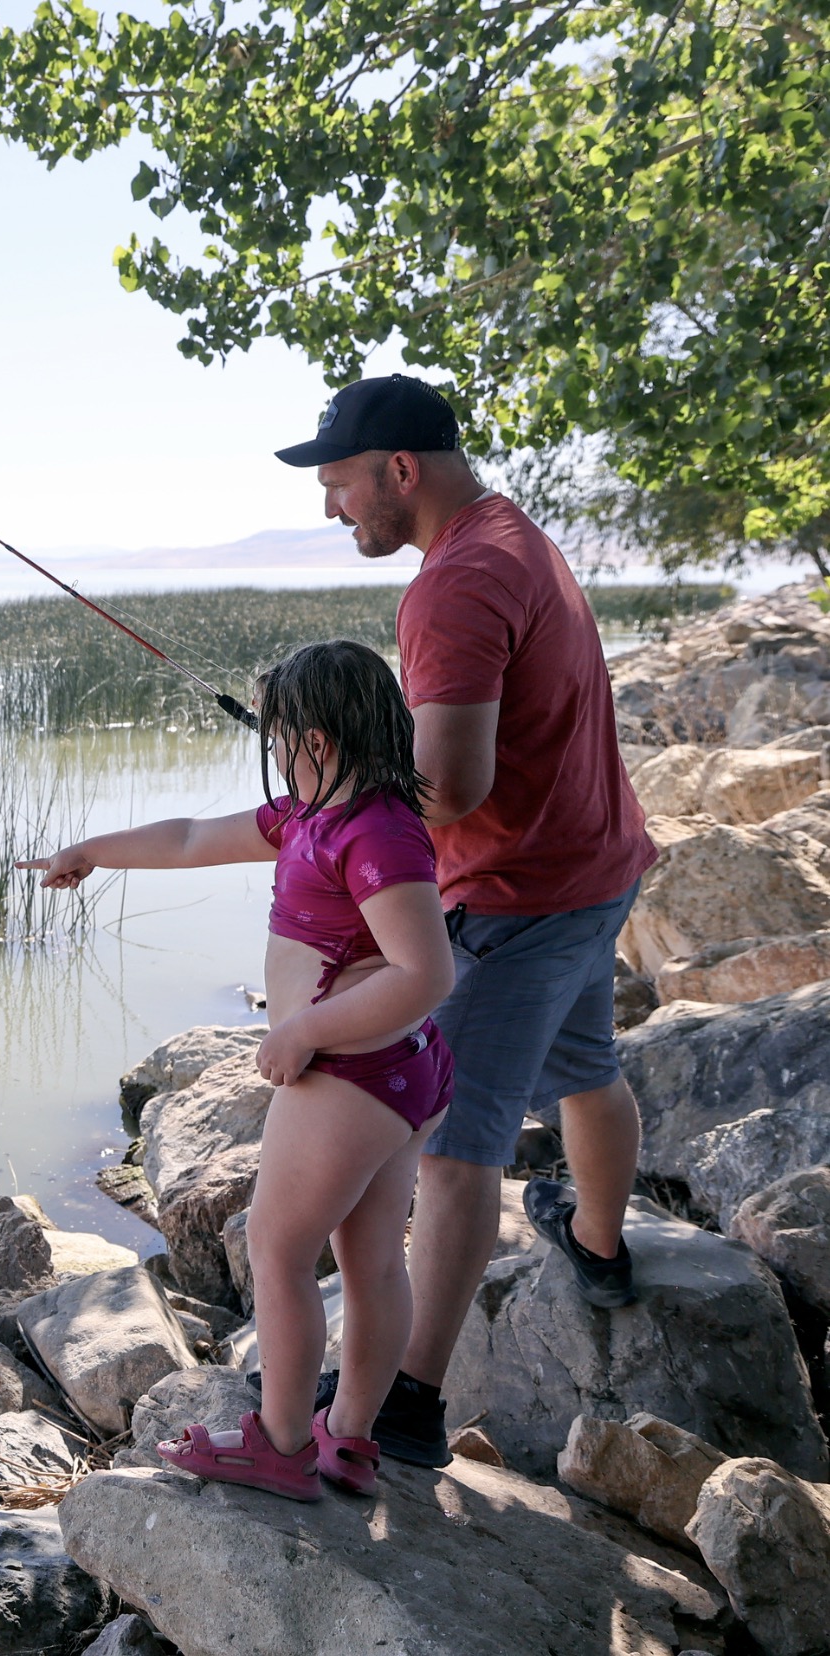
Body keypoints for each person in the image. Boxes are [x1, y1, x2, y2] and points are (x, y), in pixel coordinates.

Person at [274, 375, 658, 1469]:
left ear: (400, 470)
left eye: (340, 483)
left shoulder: (453, 583)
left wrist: (335, 797)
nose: (331, 507)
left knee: (454, 1148)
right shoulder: (510, 535)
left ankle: (407, 1403)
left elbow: (448, 788)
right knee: (587, 1063)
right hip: (593, 866)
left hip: (514, 898)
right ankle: (598, 1246)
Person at [19, 640, 458, 1499]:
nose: (276, 753)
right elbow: (189, 837)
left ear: (318, 741)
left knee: (276, 1248)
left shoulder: (373, 834)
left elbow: (425, 972)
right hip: (400, 1074)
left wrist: (304, 1031)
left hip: (351, 1075)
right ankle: (349, 1439)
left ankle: (281, 1444)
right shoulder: (313, 815)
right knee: (371, 1260)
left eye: (280, 737)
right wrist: (90, 848)